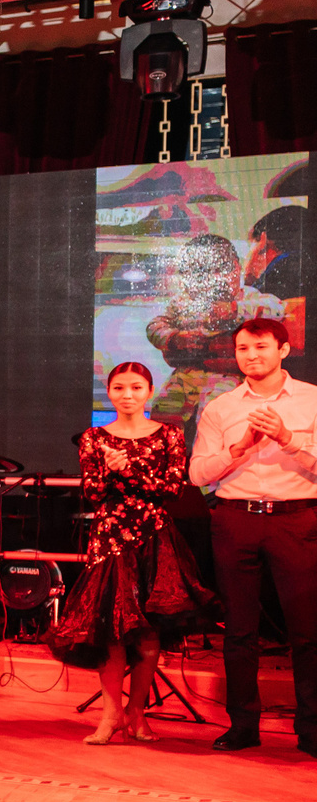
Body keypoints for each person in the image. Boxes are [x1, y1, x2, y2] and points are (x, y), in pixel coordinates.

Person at [47, 362, 214, 744]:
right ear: (109, 392)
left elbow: (173, 490)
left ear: (149, 391)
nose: (127, 395)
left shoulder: (169, 434)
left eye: (136, 387)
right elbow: (91, 491)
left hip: (155, 537)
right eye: (119, 388)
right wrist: (109, 474)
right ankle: (110, 715)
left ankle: (137, 712)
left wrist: (128, 472)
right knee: (112, 631)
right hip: (110, 539)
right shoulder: (94, 438)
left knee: (150, 632)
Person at [189, 315, 317, 754]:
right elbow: (197, 474)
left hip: (296, 519)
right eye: (243, 348)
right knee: (239, 630)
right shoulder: (221, 406)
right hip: (235, 518)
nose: (251, 356)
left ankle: (312, 729)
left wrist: (287, 438)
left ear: (283, 350)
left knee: (307, 630)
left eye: (261, 347)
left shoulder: (312, 401)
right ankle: (243, 725)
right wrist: (238, 449)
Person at [147, 235, 284, 425]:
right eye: (203, 272)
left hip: (227, 376)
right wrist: (174, 338)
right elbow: (155, 325)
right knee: (164, 410)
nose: (216, 278)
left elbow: (276, 308)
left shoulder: (248, 296)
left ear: (237, 268)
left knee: (214, 414)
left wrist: (235, 309)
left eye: (224, 269)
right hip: (186, 373)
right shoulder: (184, 302)